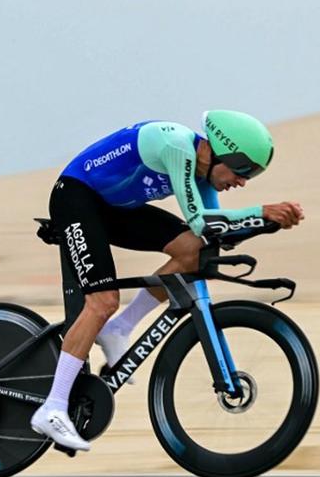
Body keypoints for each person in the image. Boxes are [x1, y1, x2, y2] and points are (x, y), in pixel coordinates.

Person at [29, 110, 304, 450]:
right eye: (243, 170)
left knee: (192, 252)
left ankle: (120, 329)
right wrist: (260, 212)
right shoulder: (177, 146)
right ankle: (53, 408)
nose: (244, 182)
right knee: (102, 301)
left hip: (113, 208)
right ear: (222, 152)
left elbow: (213, 235)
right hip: (77, 196)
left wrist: (268, 223)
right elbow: (202, 221)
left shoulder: (204, 174)